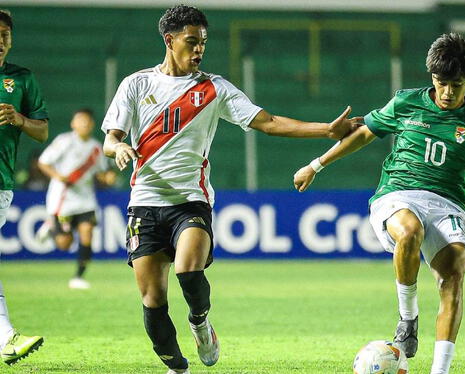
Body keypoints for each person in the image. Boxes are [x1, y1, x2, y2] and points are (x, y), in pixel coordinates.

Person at [101, 5, 360, 374]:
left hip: (190, 201)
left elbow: (268, 122)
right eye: (192, 42)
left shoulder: (214, 89)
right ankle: (178, 366)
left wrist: (326, 130)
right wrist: (119, 147)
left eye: (203, 43)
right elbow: (110, 139)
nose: (199, 50)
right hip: (144, 204)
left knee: (189, 272)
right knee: (153, 300)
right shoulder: (136, 84)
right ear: (169, 40)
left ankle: (200, 321)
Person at [293, 33, 465, 374]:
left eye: (457, 84)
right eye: (441, 83)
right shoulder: (406, 103)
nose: (447, 92)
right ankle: (408, 320)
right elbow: (363, 134)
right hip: (398, 194)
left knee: (453, 275)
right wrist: (316, 165)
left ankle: (440, 370)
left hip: (448, 205)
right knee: (410, 230)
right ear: (432, 78)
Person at [0, 9, 47, 365]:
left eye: (6, 35)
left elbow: (42, 130)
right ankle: (6, 336)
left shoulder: (22, 79)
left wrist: (18, 119)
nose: (1, 42)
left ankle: (6, 337)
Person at [37, 108, 116, 289]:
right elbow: (43, 161)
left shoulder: (96, 147)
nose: (84, 124)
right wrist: (57, 176)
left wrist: (107, 179)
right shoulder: (64, 141)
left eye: (87, 121)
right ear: (73, 124)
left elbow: (101, 174)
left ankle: (78, 277)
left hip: (85, 199)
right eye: (80, 120)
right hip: (63, 199)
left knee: (87, 234)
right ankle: (51, 227)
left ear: (92, 124)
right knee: (64, 244)